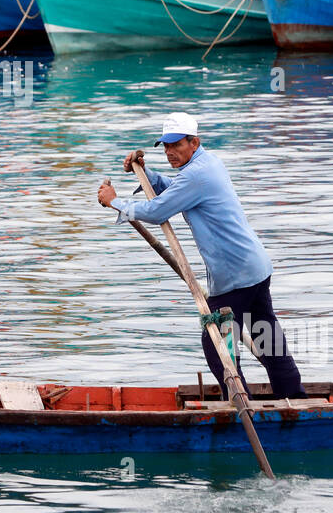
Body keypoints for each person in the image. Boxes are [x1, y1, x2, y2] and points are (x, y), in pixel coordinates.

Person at [97, 112, 307, 400]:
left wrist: (115, 202)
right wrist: (147, 175)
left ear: (194, 142)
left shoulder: (197, 175)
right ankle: (294, 398)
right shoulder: (207, 164)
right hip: (254, 267)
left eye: (176, 145)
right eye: (166, 147)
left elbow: (159, 211)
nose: (170, 152)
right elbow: (177, 192)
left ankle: (239, 404)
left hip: (235, 276)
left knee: (216, 344)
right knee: (267, 339)